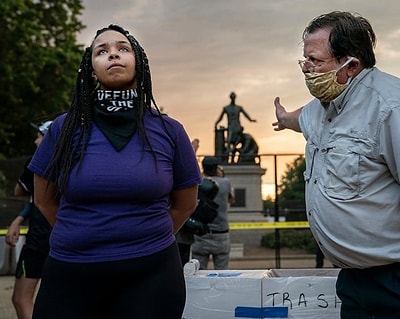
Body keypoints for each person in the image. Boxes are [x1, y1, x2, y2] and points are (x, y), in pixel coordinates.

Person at [272, 11, 400, 318]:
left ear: (351, 64)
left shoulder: (393, 107)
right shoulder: (324, 108)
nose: (306, 69)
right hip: (357, 278)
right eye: (304, 61)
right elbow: (301, 118)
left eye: (315, 61)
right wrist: (284, 120)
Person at [28, 24, 201, 319]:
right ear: (91, 69)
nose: (113, 55)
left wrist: (145, 236)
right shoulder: (64, 127)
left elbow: (185, 203)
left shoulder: (169, 130)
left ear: (139, 63)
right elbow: (44, 200)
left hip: (151, 272)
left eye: (123, 49)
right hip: (71, 271)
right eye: (102, 51)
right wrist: (82, 233)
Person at [5, 121, 53, 319]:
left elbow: (19, 191)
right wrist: (19, 218)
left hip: (41, 235)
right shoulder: (76, 160)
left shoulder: (38, 161)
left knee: (21, 297)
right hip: (67, 235)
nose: (35, 141)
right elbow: (39, 199)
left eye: (40, 136)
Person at [191, 156, 234, 270]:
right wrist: (221, 173)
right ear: (217, 168)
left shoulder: (197, 182)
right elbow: (231, 199)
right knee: (222, 273)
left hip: (200, 234)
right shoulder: (225, 182)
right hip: (221, 234)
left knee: (199, 273)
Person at [215, 92, 256, 159]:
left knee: (235, 142)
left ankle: (233, 158)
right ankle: (230, 158)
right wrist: (216, 123)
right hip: (231, 128)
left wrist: (251, 120)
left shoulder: (239, 108)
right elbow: (220, 117)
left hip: (237, 127)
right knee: (230, 142)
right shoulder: (226, 108)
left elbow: (245, 114)